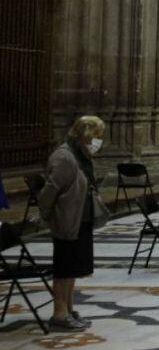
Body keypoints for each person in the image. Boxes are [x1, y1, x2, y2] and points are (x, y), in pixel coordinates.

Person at [38, 115, 106, 331]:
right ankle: (59, 314)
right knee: (65, 268)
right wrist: (47, 215)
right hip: (67, 220)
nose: (98, 141)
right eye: (96, 136)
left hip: (80, 219)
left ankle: (68, 309)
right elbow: (50, 190)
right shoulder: (65, 157)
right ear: (85, 135)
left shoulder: (80, 156)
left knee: (74, 268)